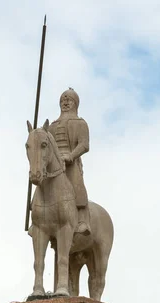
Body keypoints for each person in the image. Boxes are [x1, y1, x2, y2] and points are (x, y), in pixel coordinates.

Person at [49, 88, 91, 235]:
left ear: (75, 103)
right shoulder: (52, 125)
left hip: (70, 162)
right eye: (63, 100)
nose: (65, 102)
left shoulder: (80, 123)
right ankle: (36, 218)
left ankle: (83, 220)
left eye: (69, 100)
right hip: (54, 163)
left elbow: (84, 145)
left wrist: (71, 156)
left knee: (77, 187)